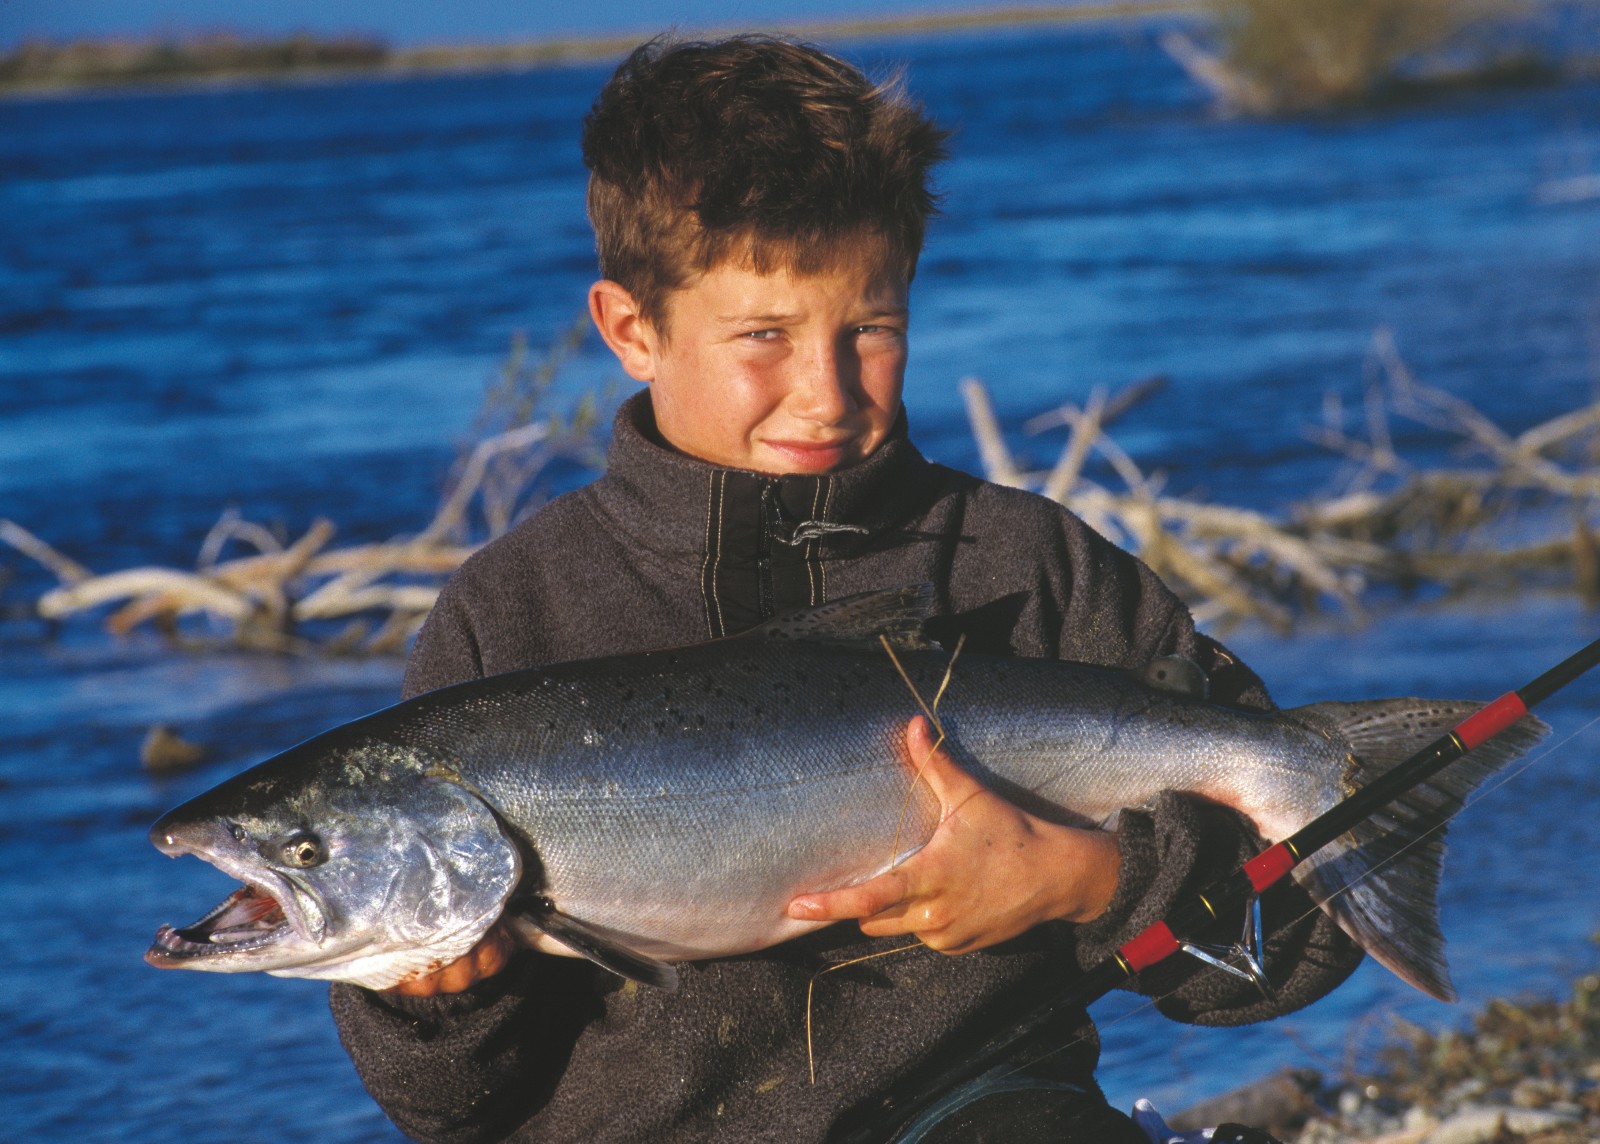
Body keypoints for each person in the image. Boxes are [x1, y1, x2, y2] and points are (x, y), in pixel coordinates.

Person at [330, 34, 1360, 1143]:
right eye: (762, 337)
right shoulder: (509, 616)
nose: (823, 394)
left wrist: (1091, 880)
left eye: (869, 330)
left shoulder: (1033, 572)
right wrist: (437, 1003)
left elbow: (1290, 955)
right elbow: (444, 1109)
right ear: (632, 329)